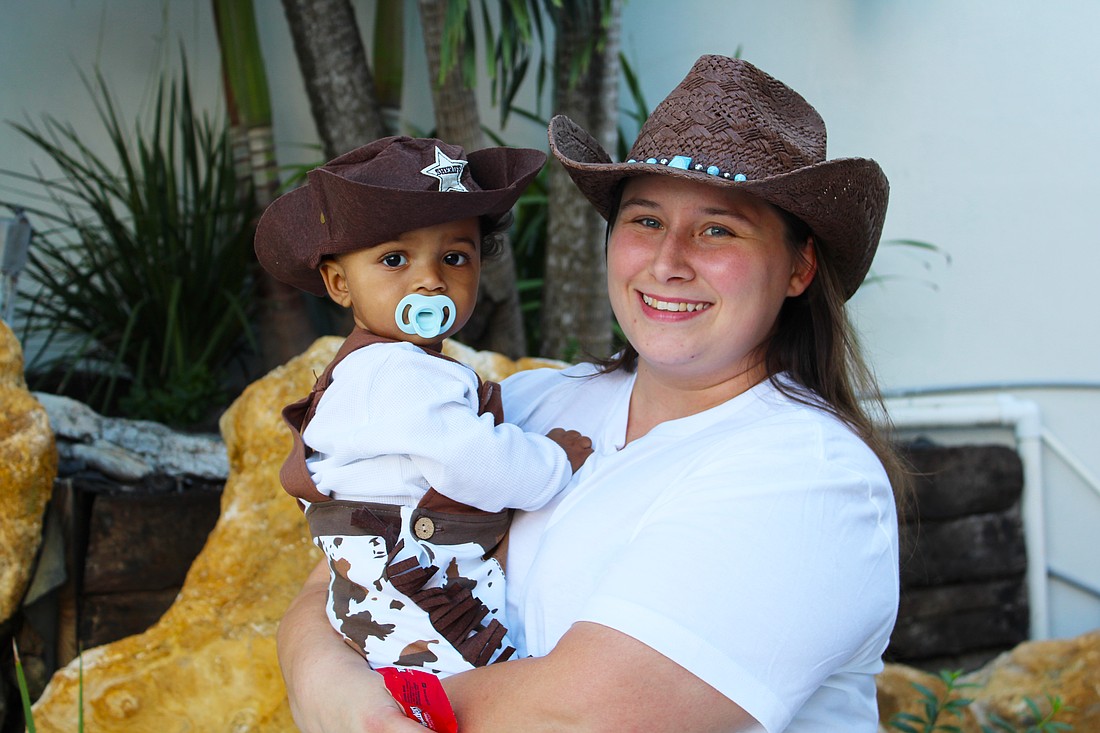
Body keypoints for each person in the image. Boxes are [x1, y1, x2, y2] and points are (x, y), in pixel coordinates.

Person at [278, 54, 907, 732]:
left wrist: (367, 706)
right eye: (644, 221)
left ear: (798, 266)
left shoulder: (807, 476)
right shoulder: (537, 401)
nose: (668, 262)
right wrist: (336, 693)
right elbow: (337, 577)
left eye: (717, 228)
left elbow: (575, 715)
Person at [255, 136, 593, 677]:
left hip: (388, 586)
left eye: (454, 257)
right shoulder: (399, 371)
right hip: (419, 595)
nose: (431, 279)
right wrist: (553, 459)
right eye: (394, 259)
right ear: (340, 283)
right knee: (480, 690)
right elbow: (471, 460)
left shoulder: (374, 366)